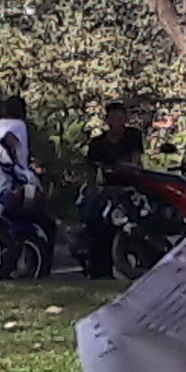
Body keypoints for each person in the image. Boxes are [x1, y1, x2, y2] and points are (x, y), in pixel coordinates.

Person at [80, 99, 148, 277]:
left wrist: (131, 173)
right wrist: (94, 189)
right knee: (95, 220)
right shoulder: (98, 144)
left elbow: (136, 161)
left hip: (131, 187)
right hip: (108, 189)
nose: (116, 122)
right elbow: (90, 170)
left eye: (120, 117)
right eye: (113, 118)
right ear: (107, 121)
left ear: (125, 119)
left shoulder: (133, 137)